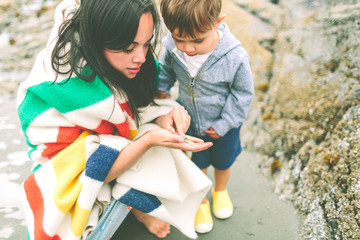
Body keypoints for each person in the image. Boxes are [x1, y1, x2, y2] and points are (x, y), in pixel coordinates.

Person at [17, 0, 213, 239]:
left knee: (166, 138)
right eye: (129, 48)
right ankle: (137, 205)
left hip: (108, 141)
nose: (141, 57)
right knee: (145, 151)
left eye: (147, 43)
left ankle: (136, 203)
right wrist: (148, 141)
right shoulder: (64, 78)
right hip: (70, 163)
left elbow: (141, 107)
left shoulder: (126, 59)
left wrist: (164, 116)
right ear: (97, 40)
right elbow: (88, 173)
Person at [157, 0, 254, 233]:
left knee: (223, 163)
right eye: (179, 38)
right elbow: (165, 71)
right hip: (188, 123)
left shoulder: (234, 56)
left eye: (198, 40)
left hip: (225, 126)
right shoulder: (172, 47)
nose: (188, 48)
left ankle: (220, 191)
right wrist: (161, 93)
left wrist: (225, 123)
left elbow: (243, 94)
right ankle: (201, 201)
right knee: (196, 165)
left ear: (218, 23)